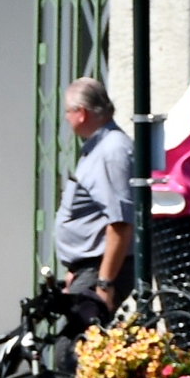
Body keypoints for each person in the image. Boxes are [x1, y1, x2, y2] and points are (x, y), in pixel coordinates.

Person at [55, 77, 133, 333]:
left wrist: (104, 283)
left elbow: (120, 223)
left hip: (100, 269)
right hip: (88, 269)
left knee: (74, 351)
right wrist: (74, 270)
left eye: (68, 111)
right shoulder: (98, 148)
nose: (66, 118)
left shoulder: (111, 151)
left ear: (81, 113)